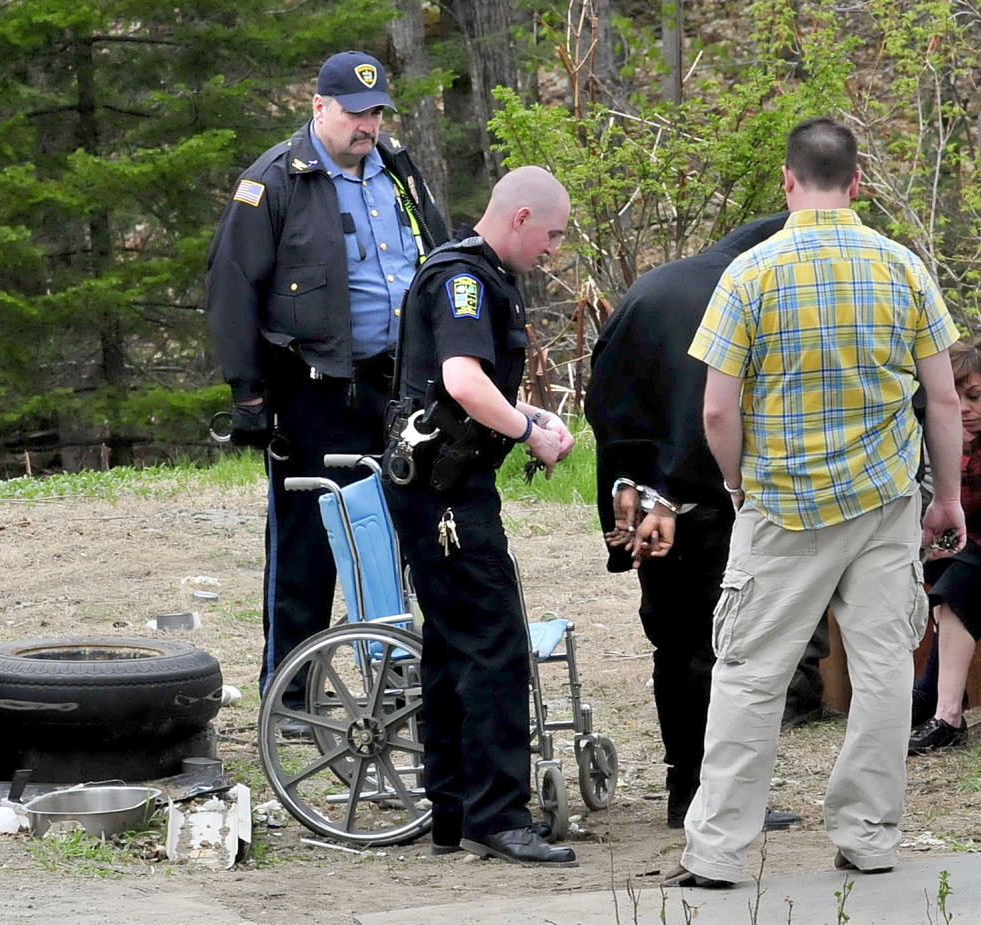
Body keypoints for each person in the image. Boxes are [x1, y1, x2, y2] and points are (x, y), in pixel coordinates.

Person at [664, 116, 965, 888]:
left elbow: (717, 411)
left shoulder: (750, 274)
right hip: (885, 502)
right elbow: (939, 398)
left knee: (749, 673)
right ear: (857, 182)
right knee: (884, 669)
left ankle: (720, 851)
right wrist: (948, 497)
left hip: (783, 507)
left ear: (789, 183)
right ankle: (869, 835)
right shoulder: (904, 268)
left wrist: (737, 484)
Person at [206, 51, 447, 715]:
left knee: (400, 532)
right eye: (353, 111)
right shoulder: (277, 180)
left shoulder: (397, 169)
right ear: (319, 107)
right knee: (309, 545)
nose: (366, 124)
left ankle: (397, 677)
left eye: (375, 112)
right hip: (313, 390)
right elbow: (232, 289)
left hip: (398, 388)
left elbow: (437, 250)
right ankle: (291, 700)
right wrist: (249, 395)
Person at [587, 213, 815, 831]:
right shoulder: (748, 289)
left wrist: (626, 483)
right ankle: (713, 796)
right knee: (726, 649)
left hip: (642, 495)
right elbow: (720, 408)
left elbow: (603, 399)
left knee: (674, 645)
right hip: (714, 499)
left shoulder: (651, 288)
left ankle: (685, 789)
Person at [383, 166, 578, 867]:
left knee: (452, 649)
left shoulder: (478, 274)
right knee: (494, 645)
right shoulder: (463, 280)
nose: (553, 250)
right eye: (552, 234)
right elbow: (464, 381)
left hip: (446, 485)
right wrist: (527, 433)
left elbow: (457, 389)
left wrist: (531, 417)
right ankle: (497, 813)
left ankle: (454, 809)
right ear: (521, 217)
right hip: (445, 497)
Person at [908, 339, 981, 753]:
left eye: (974, 397)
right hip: (970, 562)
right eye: (955, 399)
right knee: (948, 572)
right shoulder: (947, 447)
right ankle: (943, 708)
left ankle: (940, 708)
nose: (965, 409)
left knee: (959, 577)